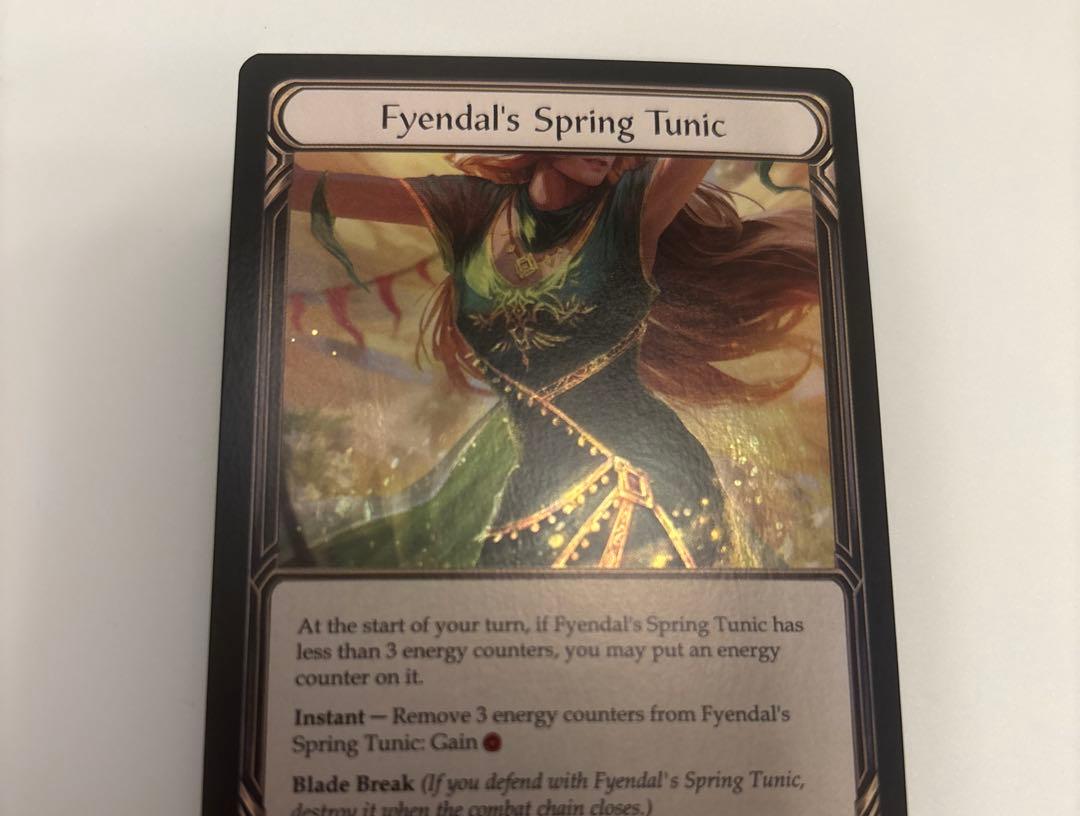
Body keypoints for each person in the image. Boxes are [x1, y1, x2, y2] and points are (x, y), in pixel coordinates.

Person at [287, 153, 820, 570]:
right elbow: (301, 188)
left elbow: (699, 134)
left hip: (648, 484)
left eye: (614, 136)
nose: (602, 149)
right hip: (534, 486)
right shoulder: (467, 207)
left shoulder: (631, 211)